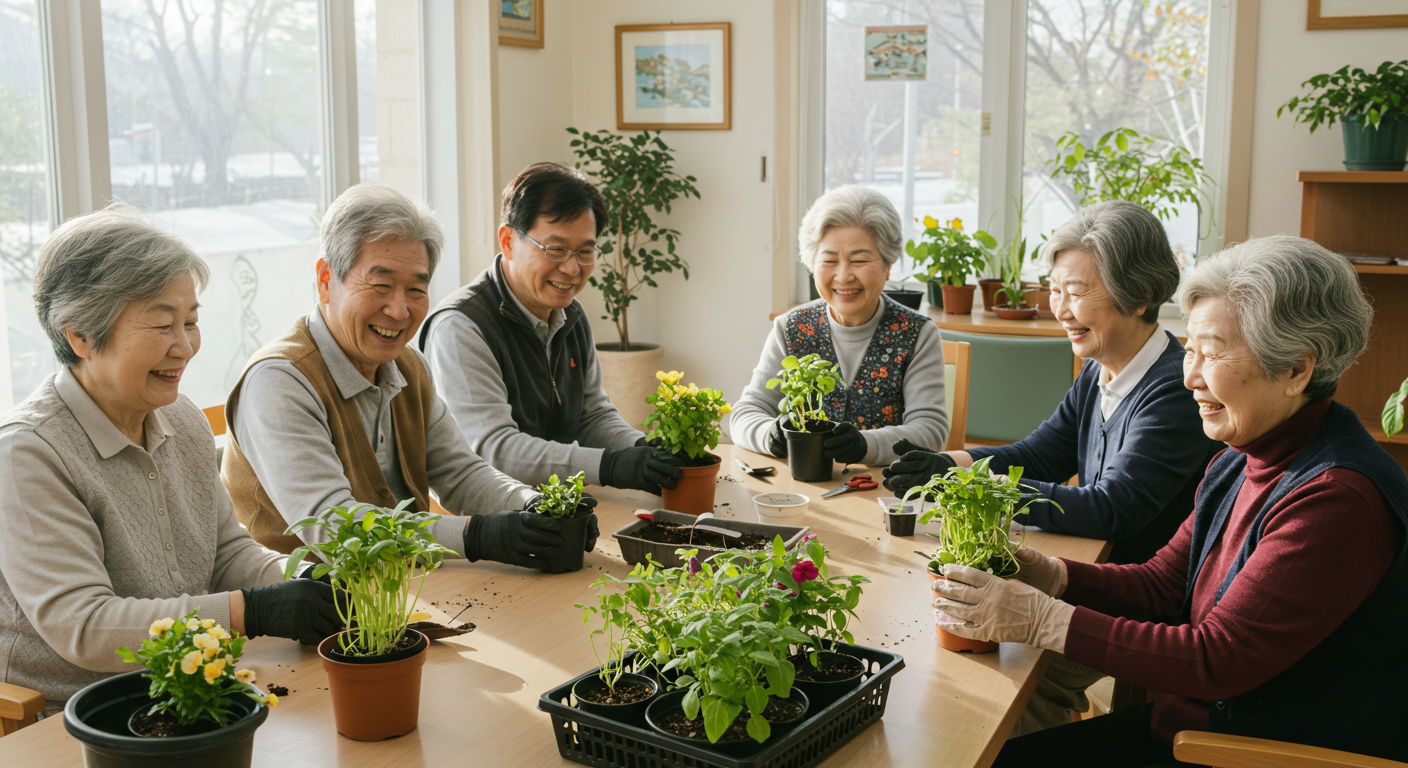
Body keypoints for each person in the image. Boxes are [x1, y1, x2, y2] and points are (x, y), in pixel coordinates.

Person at [933, 236, 1407, 766]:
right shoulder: (1240, 454)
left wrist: (1044, 620)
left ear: (1296, 369)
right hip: (1203, 729)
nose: (1190, 377)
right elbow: (1163, 584)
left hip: (1246, 751)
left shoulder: (1334, 500)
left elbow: (1214, 659)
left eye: (1214, 353)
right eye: (1191, 349)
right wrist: (1051, 574)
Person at [0, 206, 339, 716]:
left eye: (191, 321)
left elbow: (226, 553)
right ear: (81, 337)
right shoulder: (28, 453)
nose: (185, 347)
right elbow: (87, 628)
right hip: (74, 711)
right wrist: (254, 610)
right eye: (162, 325)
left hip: (188, 685)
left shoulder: (181, 419)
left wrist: (300, 577)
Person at [222, 184, 594, 570]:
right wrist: (476, 536)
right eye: (380, 285)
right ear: (325, 280)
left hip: (413, 588)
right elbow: (334, 527)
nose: (399, 311)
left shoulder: (407, 366)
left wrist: (538, 506)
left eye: (416, 289)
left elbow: (460, 473)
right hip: (320, 612)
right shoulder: (279, 382)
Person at [885, 201, 1221, 567]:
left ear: (1139, 295)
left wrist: (969, 484)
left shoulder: (1176, 387)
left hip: (1140, 599)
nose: (1060, 310)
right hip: (1100, 569)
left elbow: (1110, 509)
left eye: (1075, 293)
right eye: (1055, 291)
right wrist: (945, 463)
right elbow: (1038, 457)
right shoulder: (1098, 371)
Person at [419, 163, 682, 493]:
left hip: (558, 502)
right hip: (493, 520)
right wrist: (611, 466)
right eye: (555, 249)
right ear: (508, 241)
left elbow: (591, 416)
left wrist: (643, 450)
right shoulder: (461, 327)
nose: (572, 268)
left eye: (585, 251)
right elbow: (493, 450)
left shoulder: (570, 314)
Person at [731, 185, 948, 466]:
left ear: (888, 264)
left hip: (886, 493)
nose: (843, 276)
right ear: (812, 264)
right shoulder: (791, 328)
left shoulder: (918, 334)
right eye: (829, 260)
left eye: (859, 260)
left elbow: (930, 431)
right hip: (799, 491)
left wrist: (865, 445)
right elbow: (745, 413)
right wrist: (769, 434)